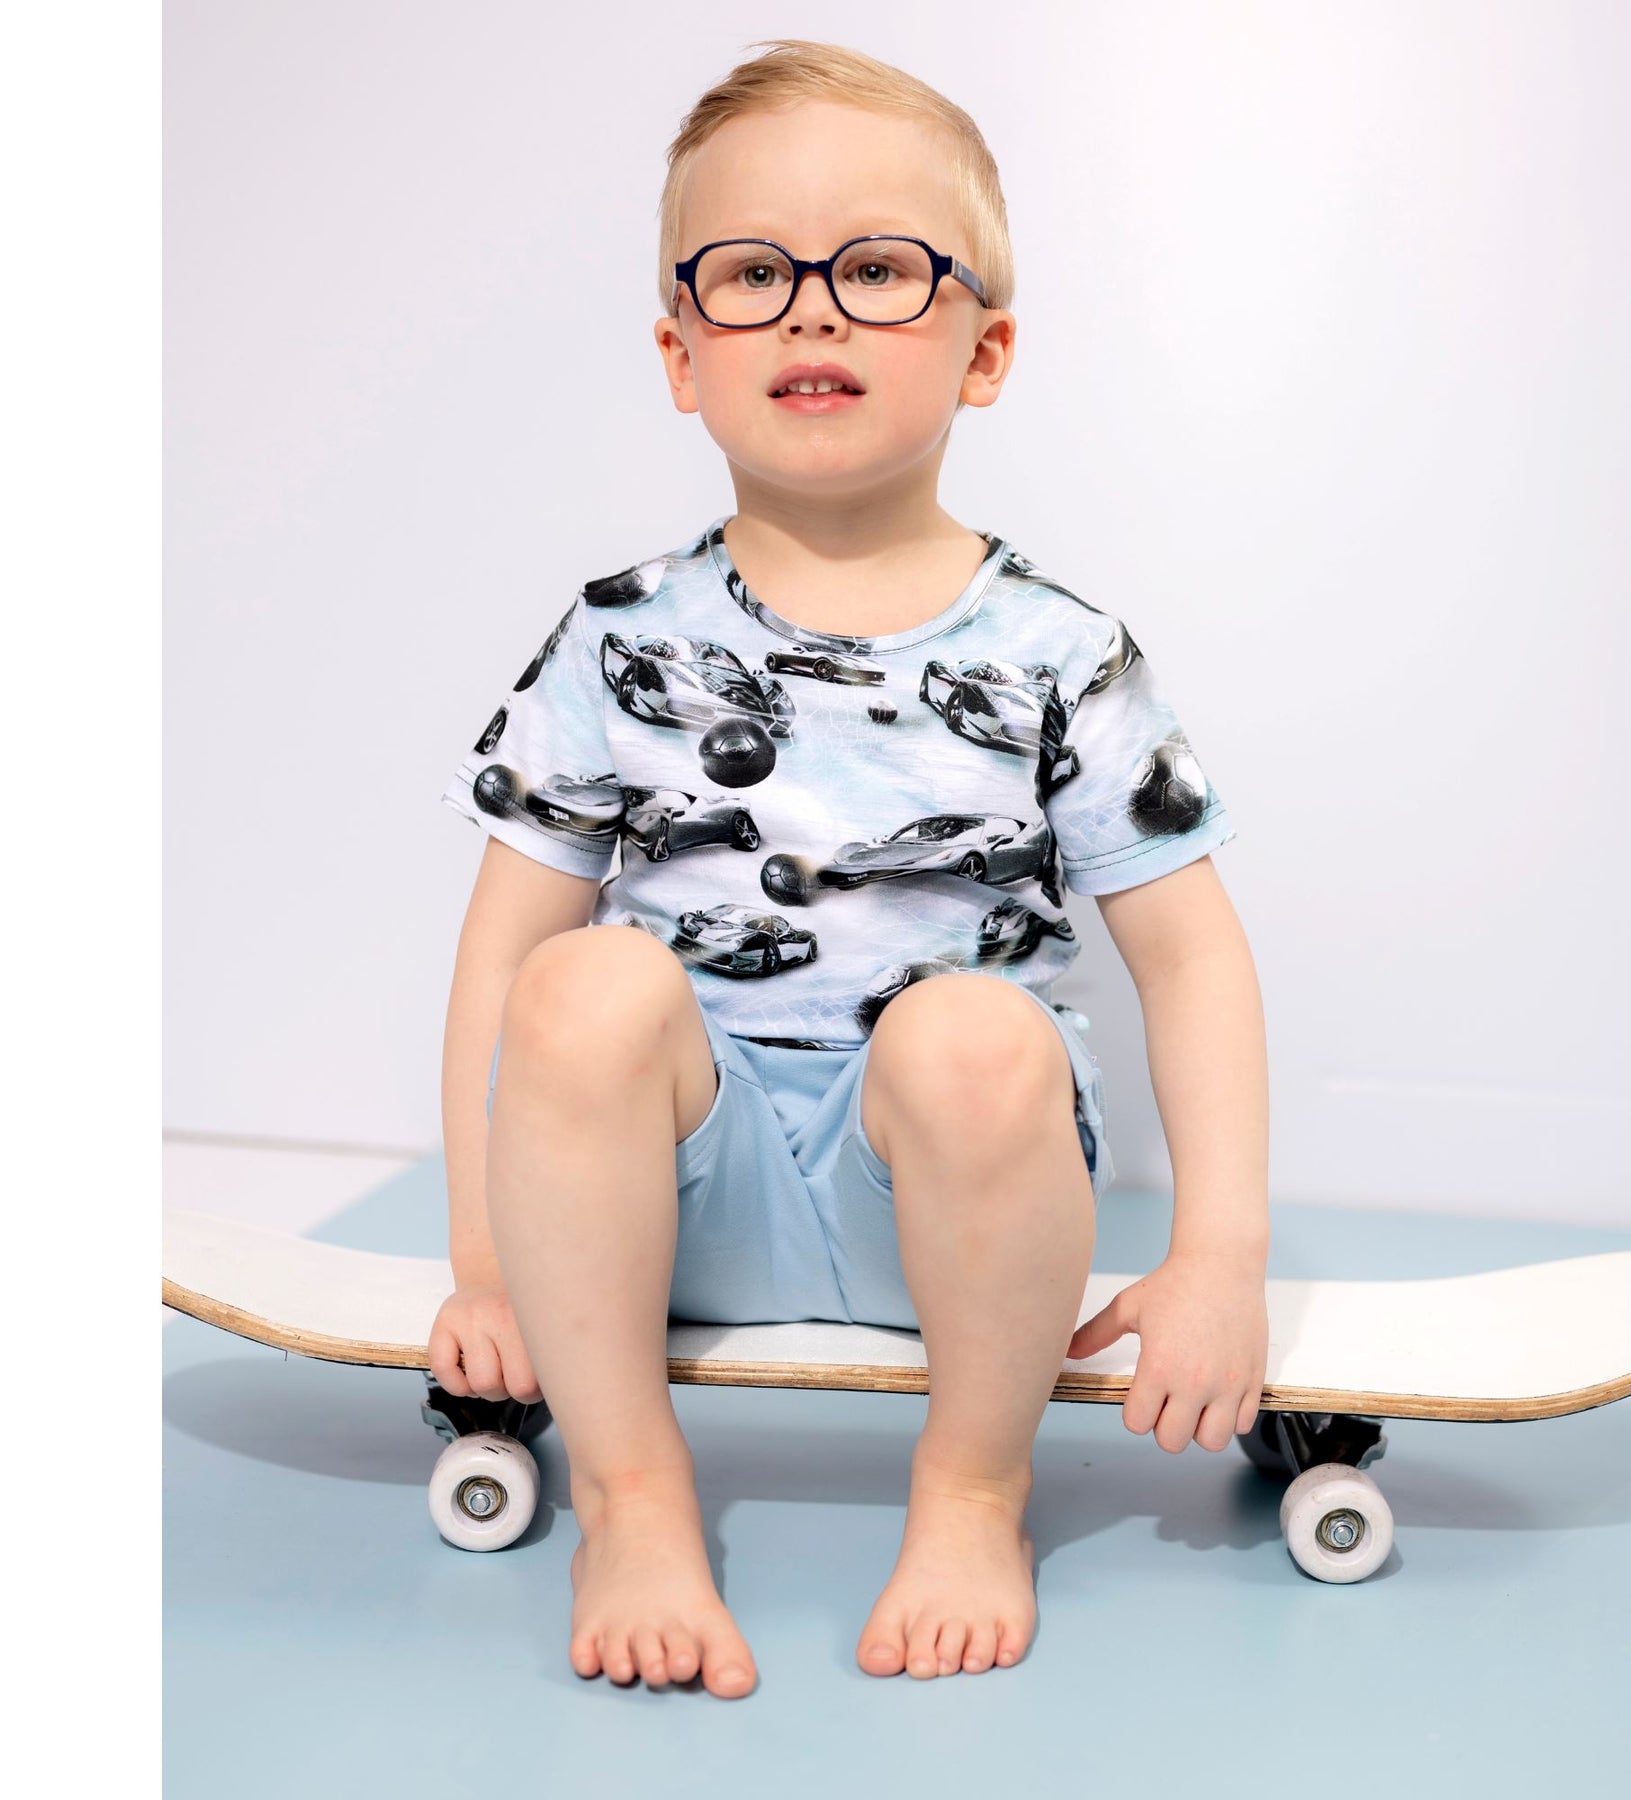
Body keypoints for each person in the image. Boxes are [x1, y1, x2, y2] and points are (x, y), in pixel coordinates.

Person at [429, 38, 1270, 1699]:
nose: (812, 313)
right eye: (754, 275)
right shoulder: (617, 638)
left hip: (952, 1207)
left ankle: (971, 1491)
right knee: (583, 982)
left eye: (878, 270)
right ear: (681, 354)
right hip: (670, 1201)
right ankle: (632, 1497)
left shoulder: (1063, 653)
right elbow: (501, 958)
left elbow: (1193, 958)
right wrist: (485, 1262)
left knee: (970, 1032)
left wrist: (1220, 1254)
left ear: (985, 347)